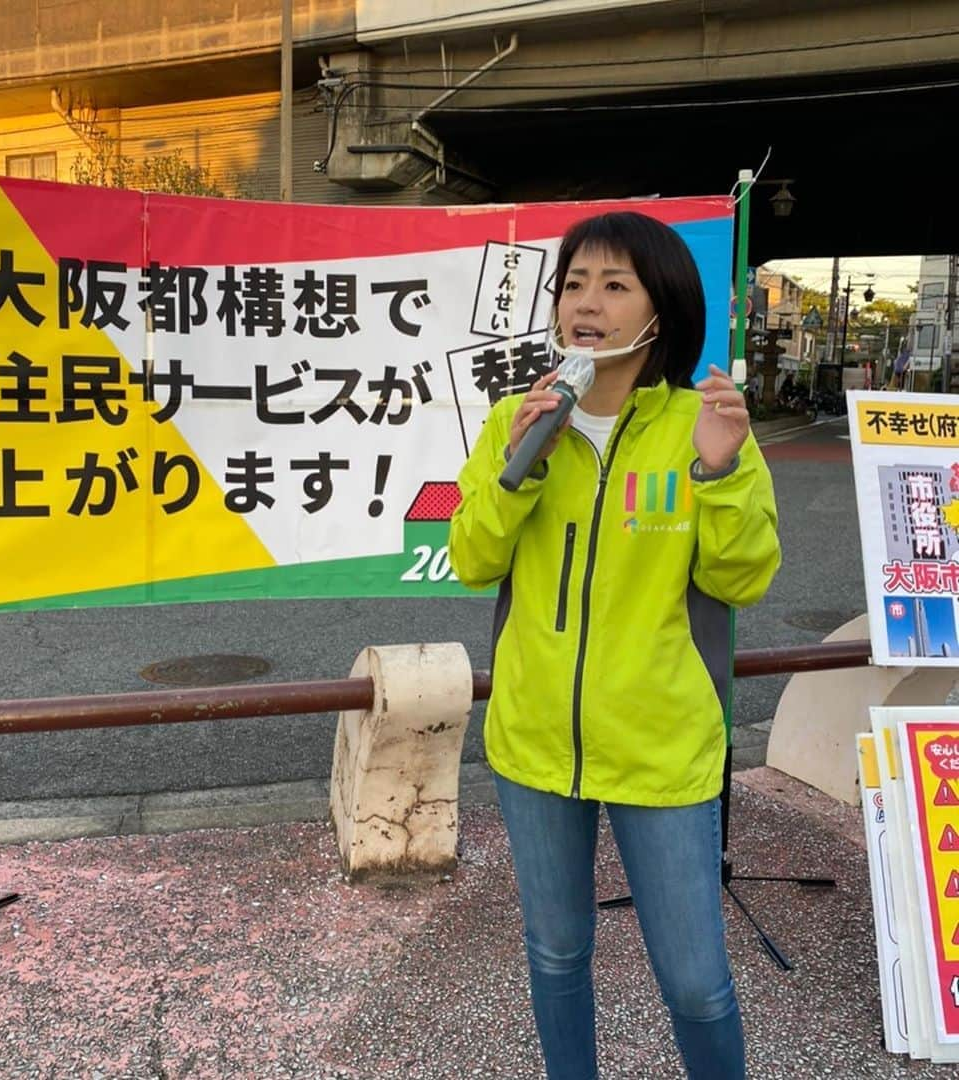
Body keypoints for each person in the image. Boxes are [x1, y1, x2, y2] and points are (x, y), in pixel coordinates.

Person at [448, 211, 780, 1080]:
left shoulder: (701, 425)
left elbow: (745, 578)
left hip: (663, 749)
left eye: (613, 285)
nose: (584, 304)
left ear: (658, 312)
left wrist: (719, 474)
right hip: (535, 746)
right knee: (556, 955)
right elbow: (473, 558)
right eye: (573, 284)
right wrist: (521, 461)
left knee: (698, 982)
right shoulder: (512, 419)